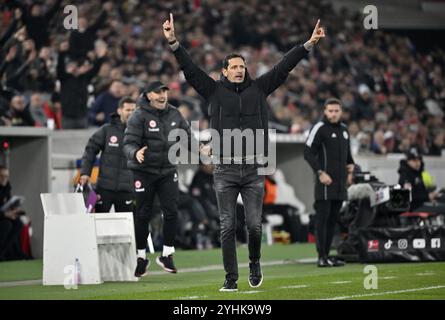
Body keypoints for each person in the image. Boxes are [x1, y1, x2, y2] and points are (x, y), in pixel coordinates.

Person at [163, 13, 325, 291]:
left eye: (242, 66)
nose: (239, 70)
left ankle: (254, 262)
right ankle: (230, 278)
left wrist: (308, 44)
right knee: (226, 227)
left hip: (252, 169)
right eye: (234, 67)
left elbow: (284, 66)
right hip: (224, 169)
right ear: (224, 71)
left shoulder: (260, 88)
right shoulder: (213, 91)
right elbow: (190, 71)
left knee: (253, 227)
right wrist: (174, 43)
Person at [123, 81, 204, 277]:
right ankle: (141, 256)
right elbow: (128, 142)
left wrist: (200, 149)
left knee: (171, 211)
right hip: (143, 172)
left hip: (167, 170)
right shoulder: (138, 116)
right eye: (158, 92)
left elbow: (187, 137)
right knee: (143, 214)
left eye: (165, 92)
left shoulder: (174, 113)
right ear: (149, 95)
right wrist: (135, 153)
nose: (162, 95)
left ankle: (167, 254)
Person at [304, 98, 355, 267]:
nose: (333, 114)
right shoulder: (319, 128)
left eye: (336, 111)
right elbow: (308, 152)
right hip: (325, 183)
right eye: (330, 111)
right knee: (322, 220)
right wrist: (320, 172)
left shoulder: (344, 130)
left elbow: (348, 156)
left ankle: (327, 256)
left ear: (341, 112)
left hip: (340, 183)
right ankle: (322, 257)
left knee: (334, 220)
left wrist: (350, 170)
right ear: (325, 112)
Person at [80, 96, 136, 213]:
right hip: (103, 188)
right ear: (119, 111)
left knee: (127, 228)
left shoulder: (140, 133)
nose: (131, 113)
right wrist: (85, 173)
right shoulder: (107, 130)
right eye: (128, 110)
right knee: (94, 221)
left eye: (133, 110)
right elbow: (90, 149)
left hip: (127, 190)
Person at [57, 41, 106, 129]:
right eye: (70, 66)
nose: (73, 68)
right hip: (67, 117)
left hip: (82, 116)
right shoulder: (64, 78)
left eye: (74, 65)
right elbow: (59, 67)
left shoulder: (84, 78)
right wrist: (62, 53)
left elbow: (95, 69)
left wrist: (101, 57)